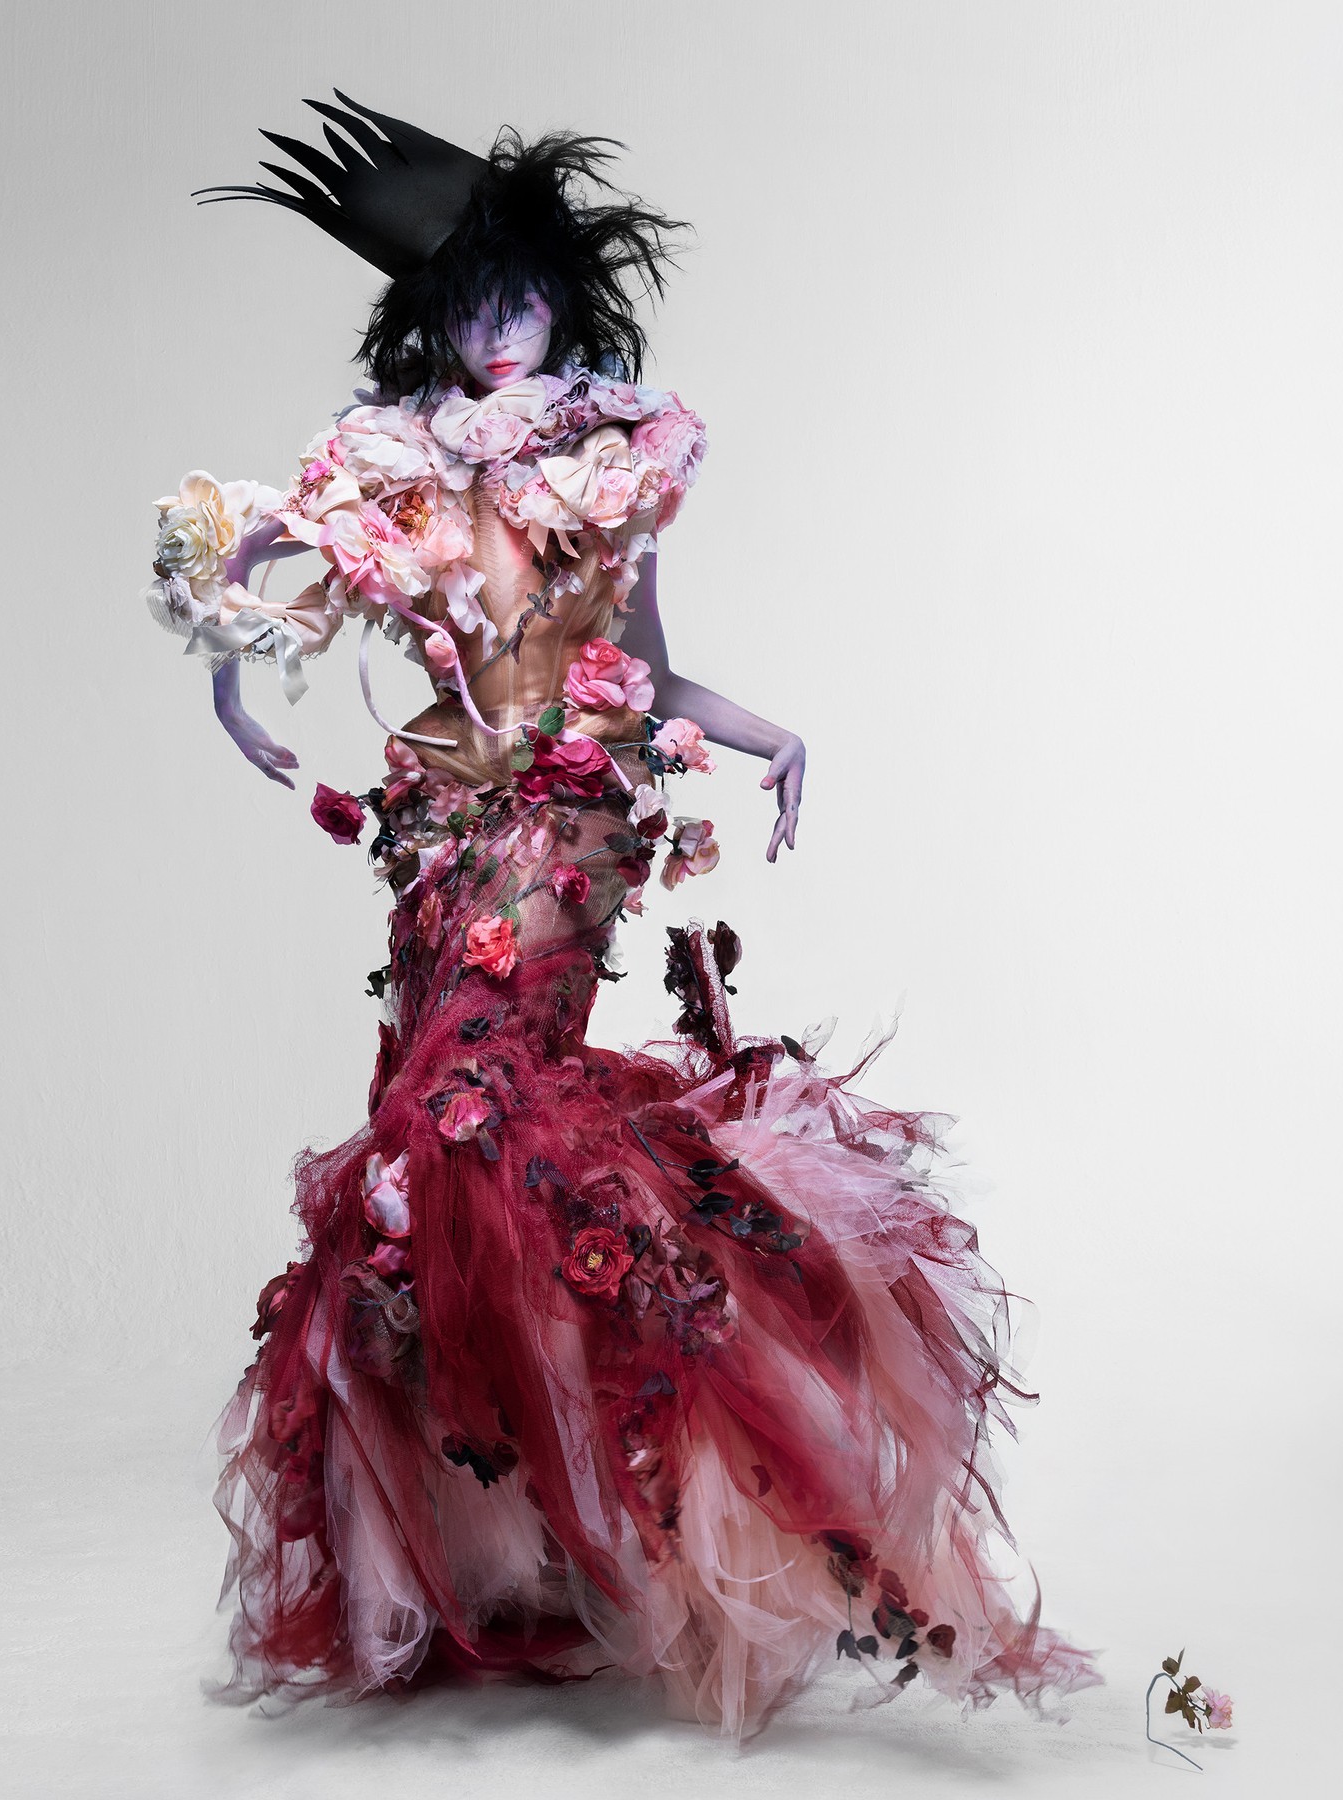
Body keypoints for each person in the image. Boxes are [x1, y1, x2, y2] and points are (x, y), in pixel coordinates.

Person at [146, 94, 1101, 1739]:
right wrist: (231, 683)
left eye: (521, 296)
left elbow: (645, 671)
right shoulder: (389, 466)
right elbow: (246, 561)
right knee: (427, 1167)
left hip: (573, 825)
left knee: (473, 1114)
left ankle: (752, 1484)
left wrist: (768, 734)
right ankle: (526, 1536)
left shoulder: (611, 459)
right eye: (468, 303)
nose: (498, 330)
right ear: (430, 319)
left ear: (563, 297)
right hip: (438, 832)